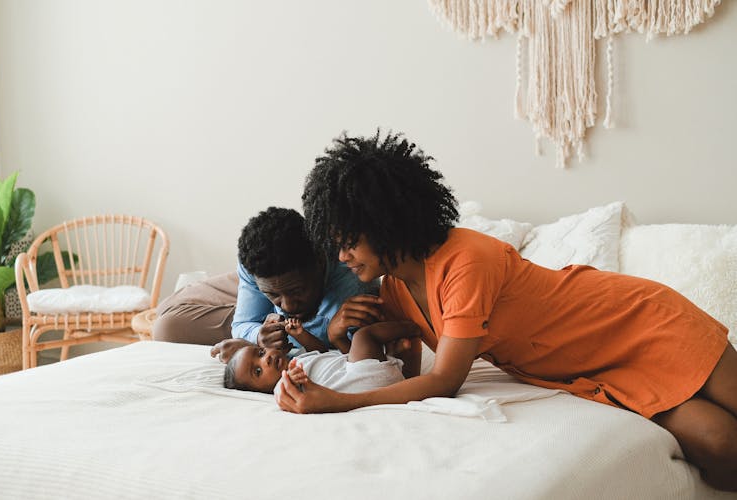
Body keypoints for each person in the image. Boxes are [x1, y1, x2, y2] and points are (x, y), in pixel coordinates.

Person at [275, 130, 737, 492]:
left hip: (636, 320)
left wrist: (336, 402)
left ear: (383, 223)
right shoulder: (393, 290)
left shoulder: (465, 259)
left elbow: (444, 381)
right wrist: (342, 335)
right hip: (598, 373)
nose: (342, 258)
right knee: (721, 445)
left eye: (349, 242)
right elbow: (401, 373)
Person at [154, 207, 386, 360]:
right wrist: (258, 335)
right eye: (275, 297)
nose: (288, 306)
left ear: (319, 262)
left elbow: (363, 363)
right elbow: (246, 321)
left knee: (166, 327)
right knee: (164, 311)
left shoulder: (355, 286)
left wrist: (336, 337)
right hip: (258, 284)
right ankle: (267, 297)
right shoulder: (256, 268)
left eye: (297, 291)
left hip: (292, 293)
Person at [218, 320, 421, 395]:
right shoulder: (282, 386)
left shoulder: (297, 359)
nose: (266, 360)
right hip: (360, 379)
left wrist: (301, 335)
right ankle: (414, 325)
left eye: (261, 353)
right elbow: (294, 394)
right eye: (258, 371)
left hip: (362, 375)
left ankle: (396, 360)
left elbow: (321, 351)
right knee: (363, 336)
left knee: (385, 349)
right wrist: (295, 381)